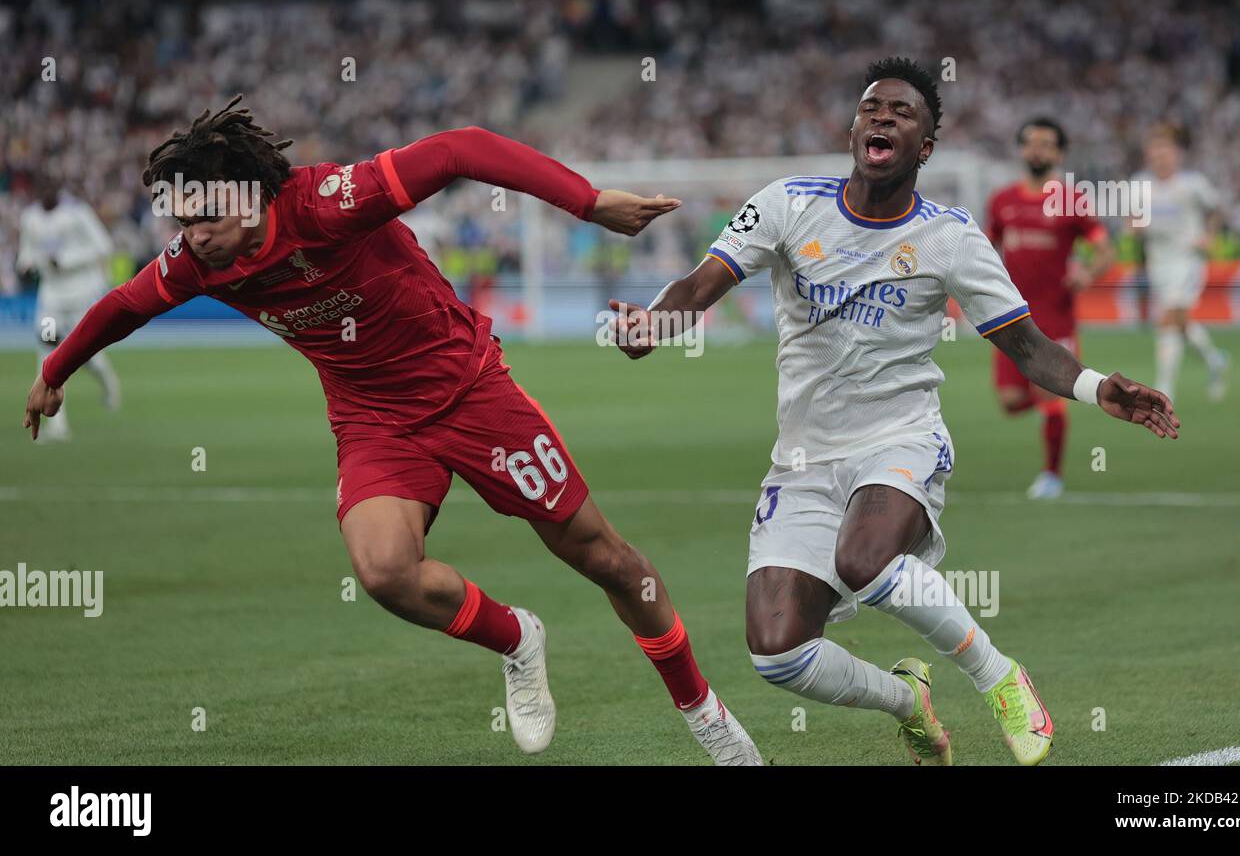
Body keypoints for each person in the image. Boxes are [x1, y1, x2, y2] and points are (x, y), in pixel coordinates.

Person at [24, 97, 762, 765]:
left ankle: (705, 713)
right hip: (373, 421)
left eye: (203, 219)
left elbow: (461, 147)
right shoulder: (198, 264)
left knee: (602, 556)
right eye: (180, 222)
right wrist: (56, 370)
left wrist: (588, 200)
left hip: (470, 391)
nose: (191, 238)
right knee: (384, 572)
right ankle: (517, 637)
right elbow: (125, 303)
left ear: (249, 200)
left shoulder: (327, 203)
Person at [609, 58, 1180, 766]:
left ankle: (998, 675)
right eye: (871, 107)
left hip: (899, 437)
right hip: (803, 455)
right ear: (856, 129)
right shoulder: (788, 203)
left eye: (902, 112)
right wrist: (652, 327)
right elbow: (699, 286)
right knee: (777, 653)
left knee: (866, 556)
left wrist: (1100, 388)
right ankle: (908, 700)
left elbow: (1028, 347)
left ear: (925, 147)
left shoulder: (950, 237)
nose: (881, 117)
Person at [986, 118, 1114, 499]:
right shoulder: (1002, 201)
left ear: (1059, 153)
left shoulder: (1071, 200)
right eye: (1030, 142)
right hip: (1010, 317)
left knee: (1050, 394)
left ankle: (1051, 475)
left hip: (1056, 315)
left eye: (1046, 144)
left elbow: (1105, 249)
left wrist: (1087, 272)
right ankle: (1055, 403)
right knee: (1010, 403)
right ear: (1022, 149)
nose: (1037, 149)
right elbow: (985, 247)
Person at [16, 174, 120, 440]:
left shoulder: (77, 214)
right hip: (50, 299)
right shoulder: (30, 218)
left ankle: (108, 381)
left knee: (82, 355)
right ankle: (57, 425)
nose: (46, 193)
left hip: (79, 296)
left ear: (59, 190)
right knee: (48, 353)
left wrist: (66, 261)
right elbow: (27, 253)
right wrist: (25, 266)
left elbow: (103, 246)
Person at [1134, 125, 1229, 401]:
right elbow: (1131, 219)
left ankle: (1164, 389)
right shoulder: (1139, 183)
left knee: (1169, 317)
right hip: (1158, 262)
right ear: (1148, 154)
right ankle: (1215, 361)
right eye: (1155, 150)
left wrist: (1209, 236)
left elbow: (1216, 209)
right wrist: (1135, 227)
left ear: (1176, 154)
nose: (1160, 156)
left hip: (1187, 259)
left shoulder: (1193, 183)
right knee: (1179, 321)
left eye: (1165, 149)